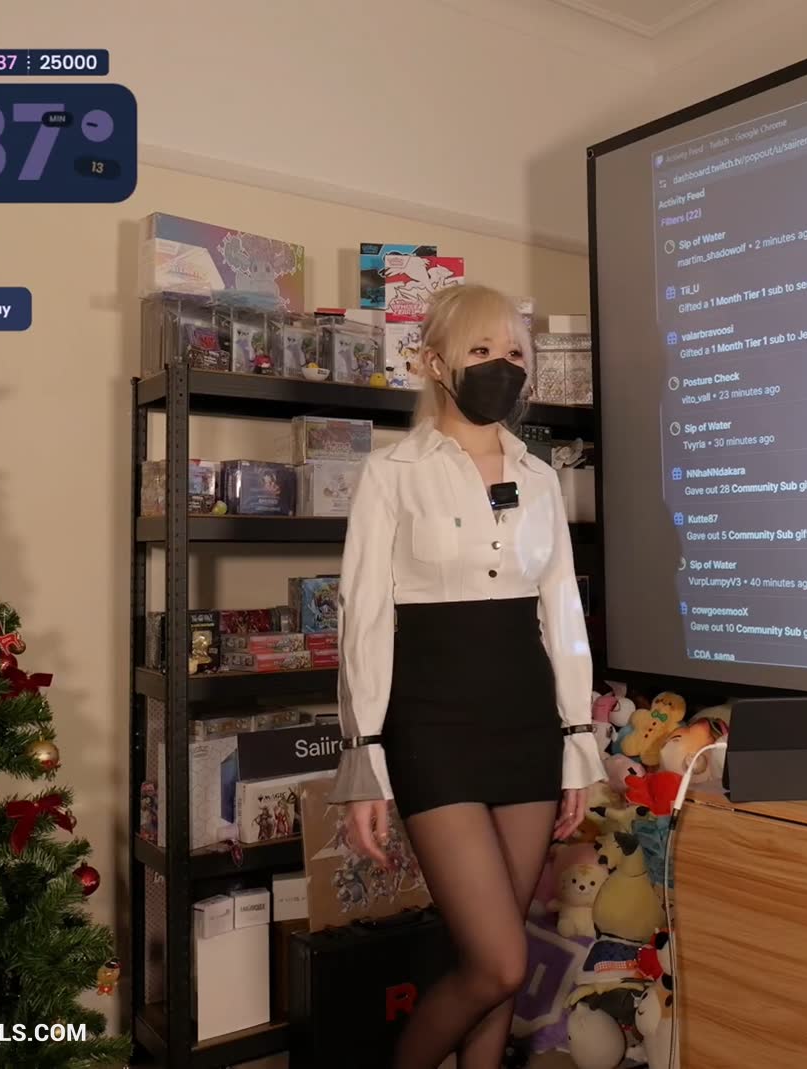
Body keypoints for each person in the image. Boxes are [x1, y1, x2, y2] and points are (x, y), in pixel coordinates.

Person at [329, 283, 602, 1069]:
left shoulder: (539, 476)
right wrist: (364, 759)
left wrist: (577, 742)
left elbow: (562, 613)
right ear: (436, 362)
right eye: (481, 349)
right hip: (432, 727)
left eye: (514, 351)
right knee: (499, 963)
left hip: (527, 722)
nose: (500, 366)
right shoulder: (391, 473)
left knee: (497, 958)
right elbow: (363, 618)